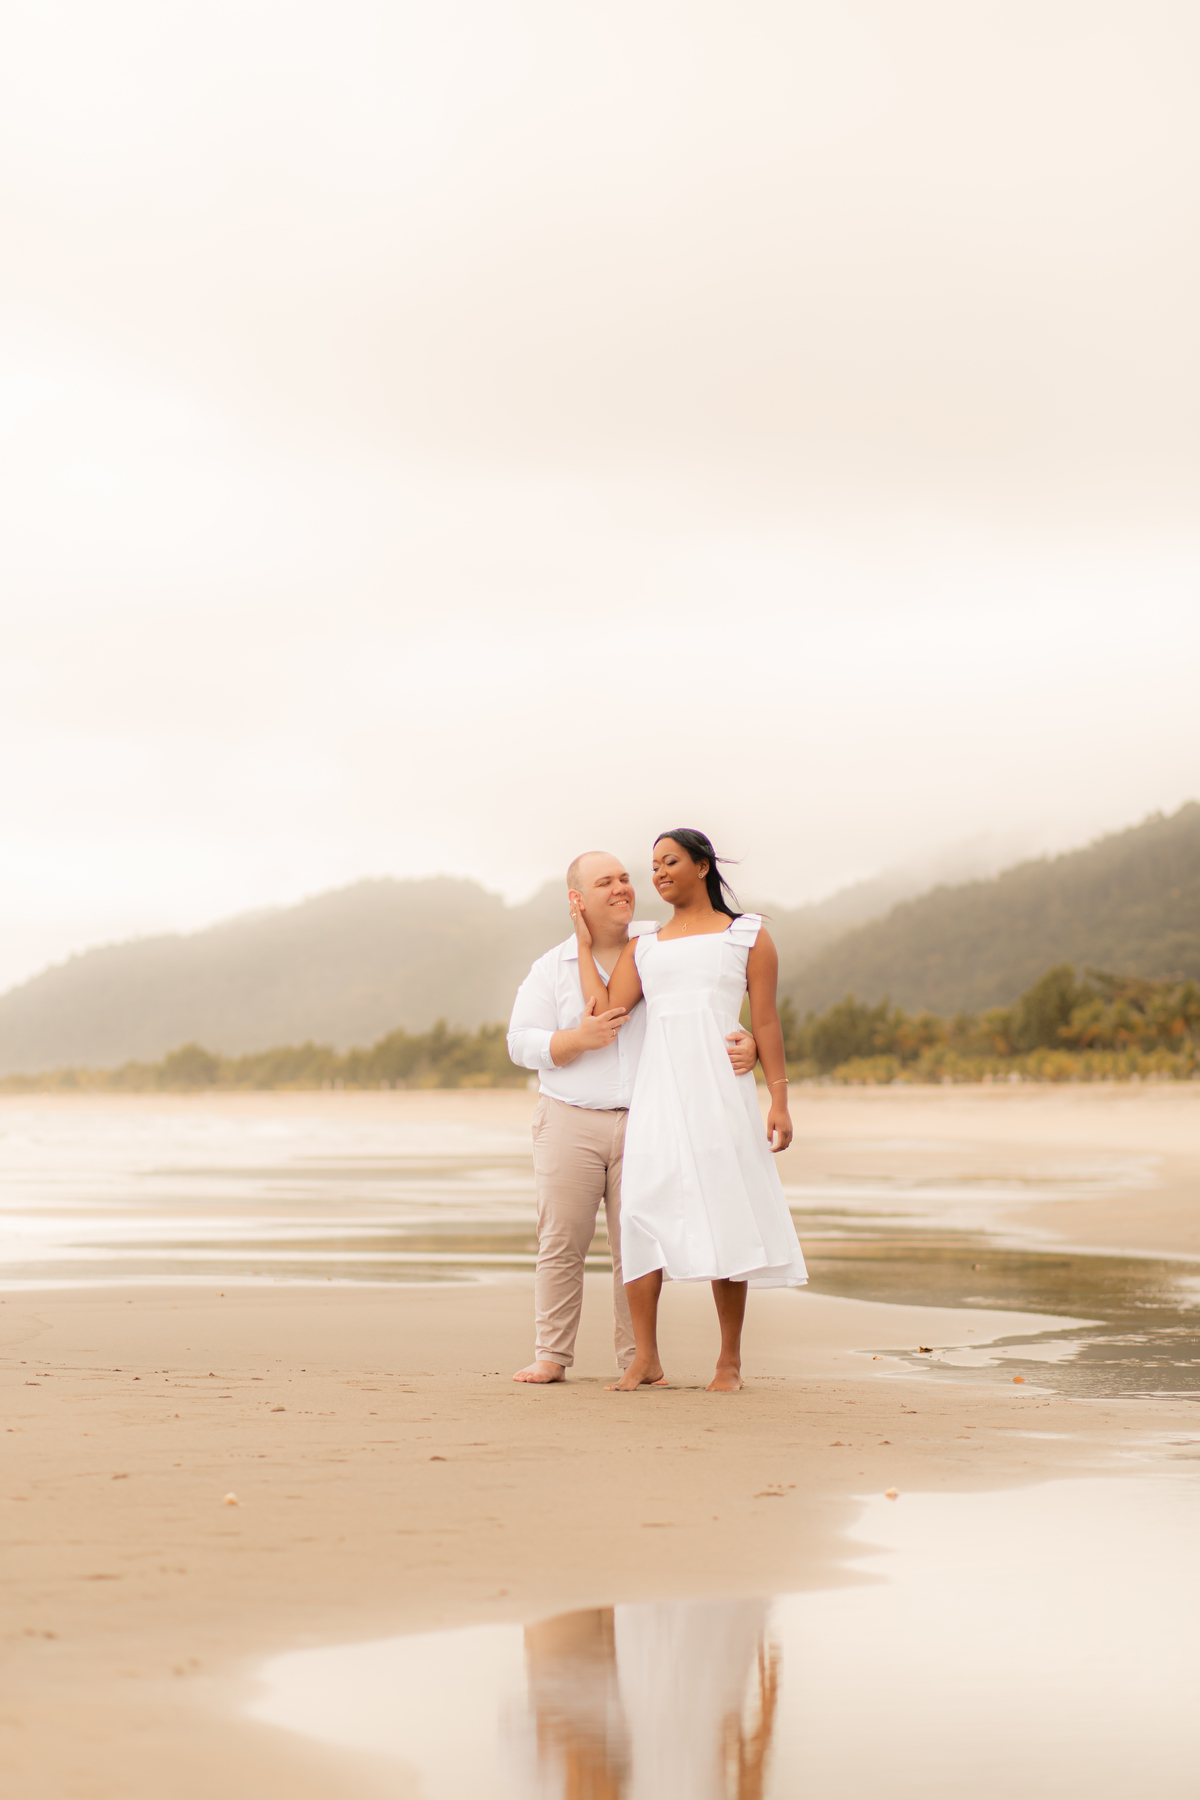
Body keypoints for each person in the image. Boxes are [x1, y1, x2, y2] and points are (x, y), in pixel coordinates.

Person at [507, 851, 759, 1384]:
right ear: (577, 899)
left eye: (625, 878)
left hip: (651, 1120)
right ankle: (552, 1355)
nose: (622, 887)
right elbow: (519, 1042)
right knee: (561, 1243)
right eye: (606, 882)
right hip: (569, 1118)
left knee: (640, 1245)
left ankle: (638, 1358)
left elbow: (704, 1003)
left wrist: (747, 1040)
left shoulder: (658, 945)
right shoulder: (552, 967)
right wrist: (575, 1039)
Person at [572, 829, 807, 1394]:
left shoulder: (746, 934)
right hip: (658, 1093)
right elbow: (606, 1011)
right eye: (653, 865)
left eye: (670, 861)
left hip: (720, 1093)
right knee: (640, 1211)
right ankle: (645, 1358)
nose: (657, 873)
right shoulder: (645, 946)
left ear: (702, 866)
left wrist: (778, 1097)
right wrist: (583, 945)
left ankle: (729, 1362)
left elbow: (766, 1020)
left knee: (725, 1209)